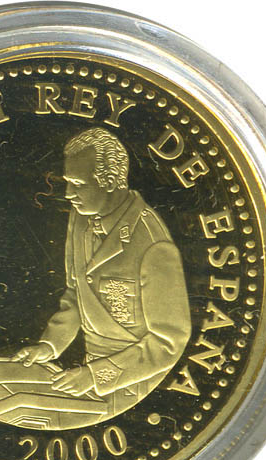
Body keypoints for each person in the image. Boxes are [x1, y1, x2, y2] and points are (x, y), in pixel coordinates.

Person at [13, 127, 191, 407]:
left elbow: (168, 343)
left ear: (108, 182)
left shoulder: (154, 245)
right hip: (89, 381)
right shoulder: (81, 218)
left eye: (77, 183)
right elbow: (77, 292)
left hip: (137, 386)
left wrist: (95, 376)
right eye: (67, 182)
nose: (68, 193)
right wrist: (49, 346)